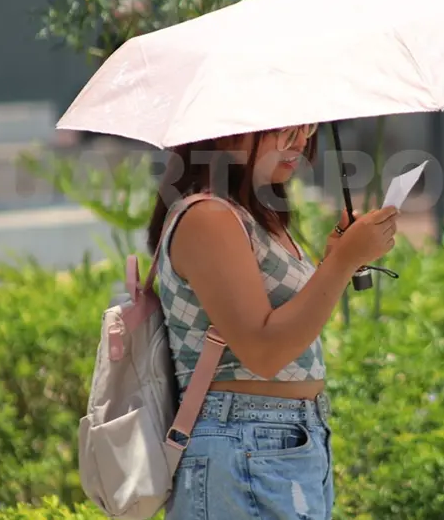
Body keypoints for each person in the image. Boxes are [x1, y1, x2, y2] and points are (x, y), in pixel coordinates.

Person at [147, 123, 398, 520]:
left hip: (280, 442)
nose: (300, 143)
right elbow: (263, 352)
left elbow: (284, 328)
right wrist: (342, 261)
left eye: (308, 129)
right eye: (285, 130)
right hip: (245, 438)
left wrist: (335, 261)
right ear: (230, 131)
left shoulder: (252, 216)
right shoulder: (208, 218)